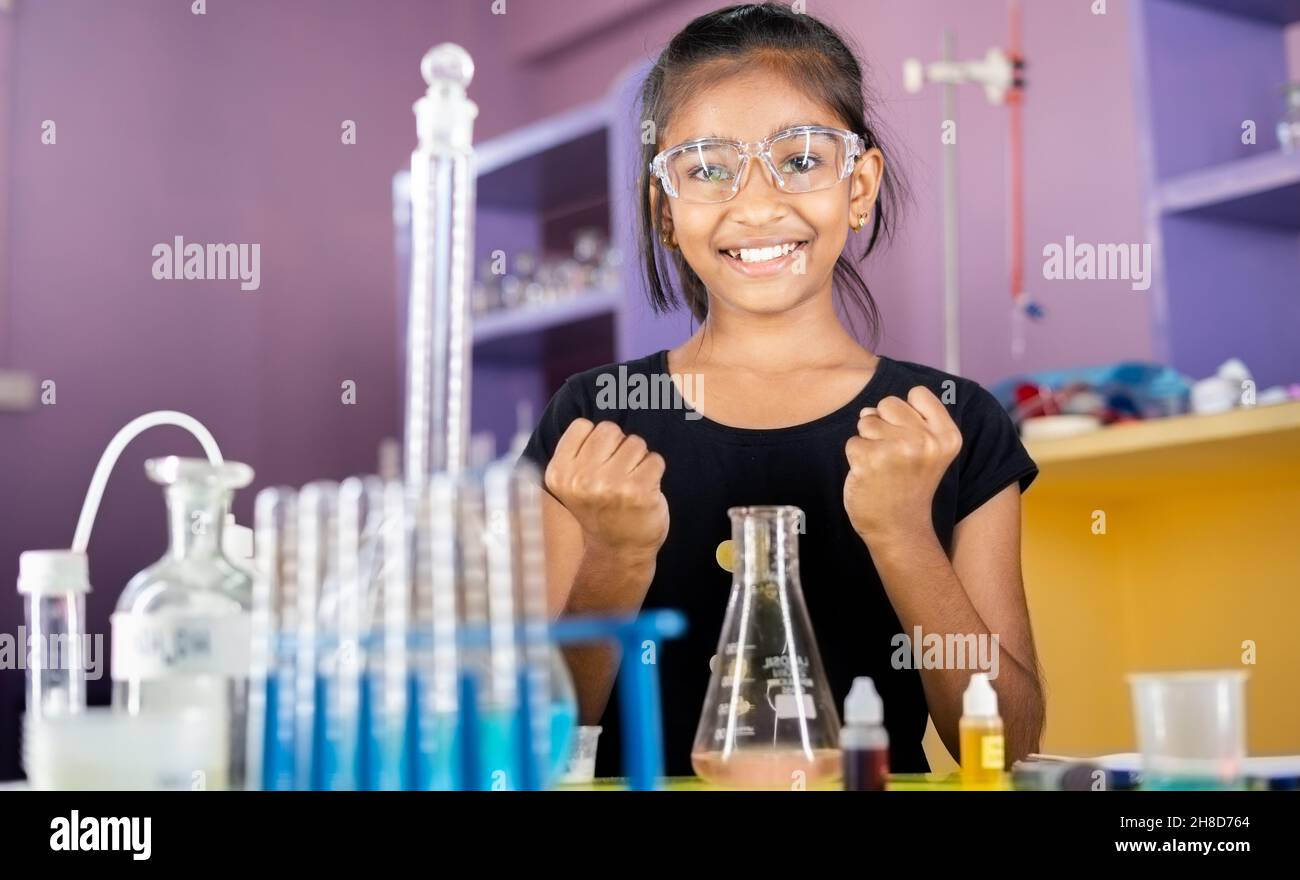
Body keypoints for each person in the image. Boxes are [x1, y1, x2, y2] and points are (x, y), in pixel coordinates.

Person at [521, 2, 1044, 779]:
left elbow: (1008, 739)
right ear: (666, 209)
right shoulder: (594, 421)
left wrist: (904, 534)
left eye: (801, 160)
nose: (757, 204)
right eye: (707, 168)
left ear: (858, 185)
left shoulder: (952, 422)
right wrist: (614, 561)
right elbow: (537, 741)